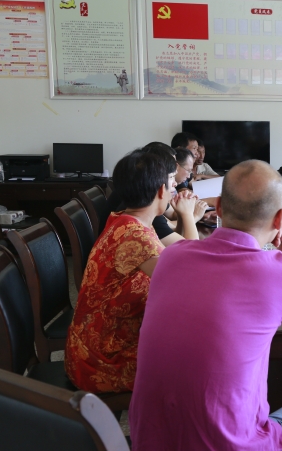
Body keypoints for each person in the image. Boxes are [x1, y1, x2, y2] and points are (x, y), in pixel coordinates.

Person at [130, 160, 282, 450]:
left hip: (149, 443)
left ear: (220, 207)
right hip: (237, 445)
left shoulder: (171, 257)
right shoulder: (280, 273)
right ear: (280, 218)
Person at [65, 149, 181, 393]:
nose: (174, 188)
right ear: (161, 191)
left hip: (91, 346)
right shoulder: (135, 236)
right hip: (101, 361)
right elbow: (182, 281)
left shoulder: (124, 219)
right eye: (171, 183)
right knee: (190, 358)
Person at [103, 143, 205, 245]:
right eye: (171, 176)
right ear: (160, 187)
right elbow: (191, 252)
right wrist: (189, 215)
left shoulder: (134, 216)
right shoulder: (142, 236)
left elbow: (175, 238)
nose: (174, 183)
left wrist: (183, 214)